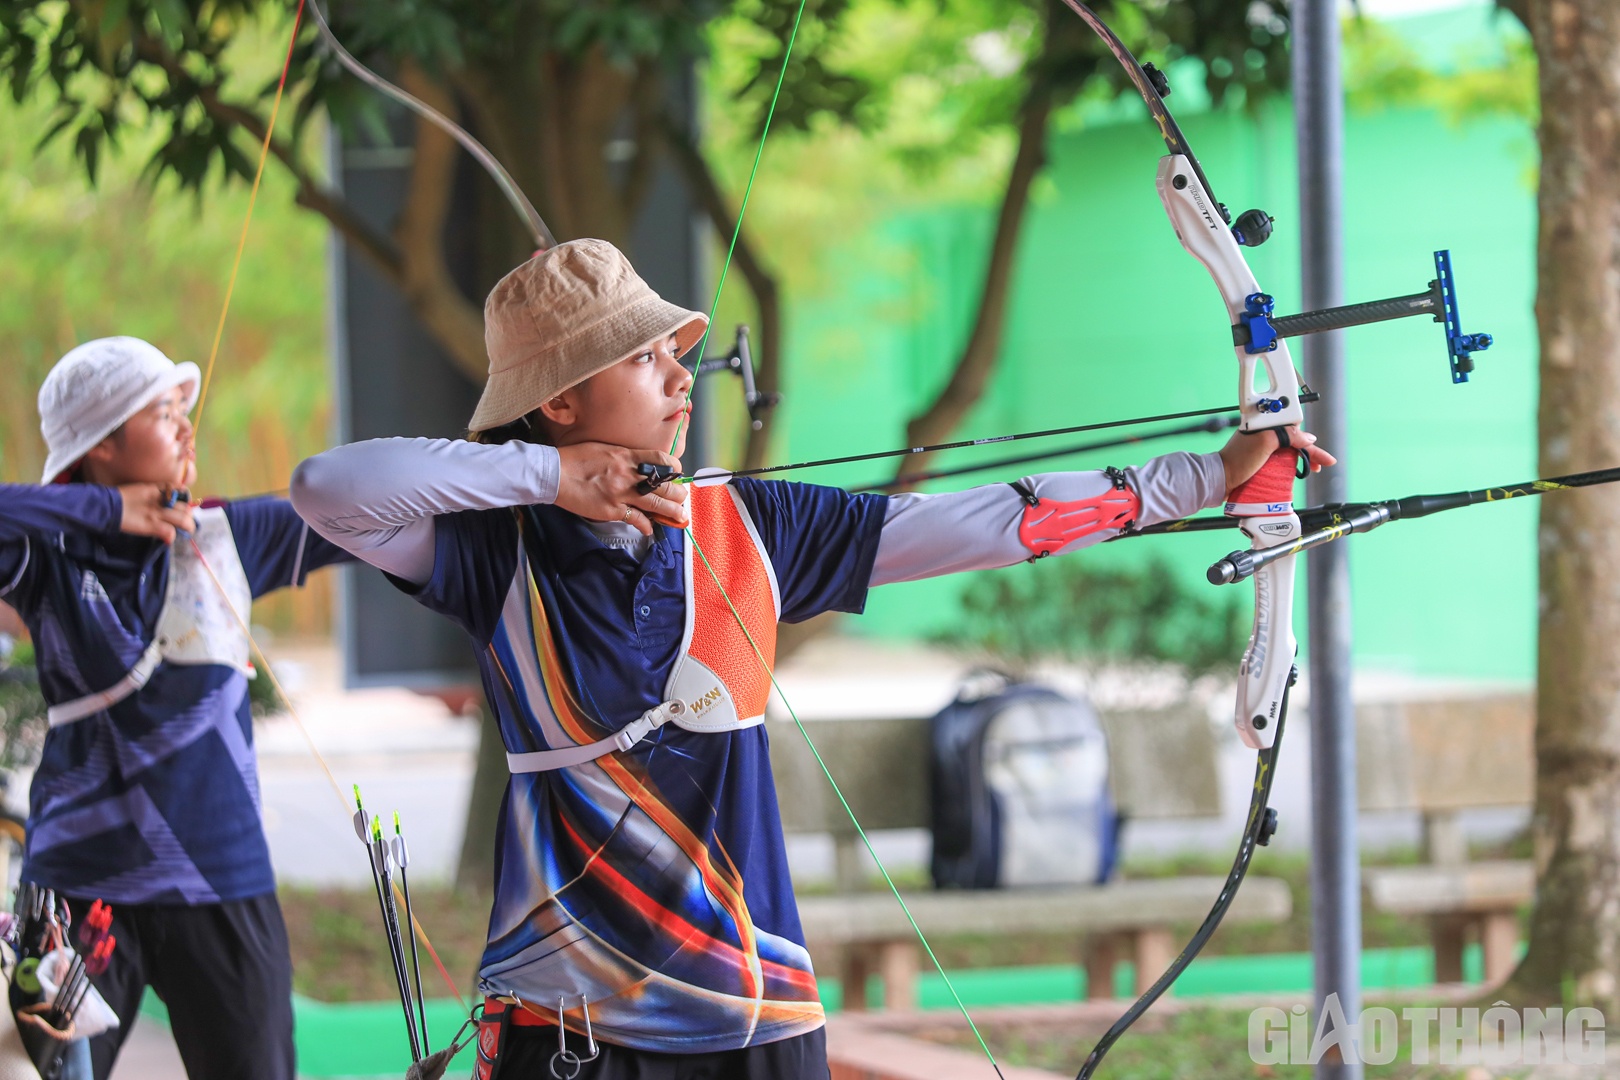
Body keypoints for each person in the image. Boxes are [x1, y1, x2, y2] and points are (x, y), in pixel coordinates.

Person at [290, 239, 1335, 1079]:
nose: (679, 371)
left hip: (756, 1016)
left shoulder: (748, 527)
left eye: (676, 350)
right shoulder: (491, 549)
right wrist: (548, 476)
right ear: (559, 401)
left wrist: (1206, 473)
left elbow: (981, 521)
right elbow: (328, 487)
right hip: (569, 1030)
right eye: (643, 356)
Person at [0, 336, 353, 1080]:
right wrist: (101, 510)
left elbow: (374, 505)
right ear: (100, 446)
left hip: (220, 880)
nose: (188, 429)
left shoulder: (228, 537)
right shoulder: (45, 557)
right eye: (163, 413)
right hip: (77, 894)